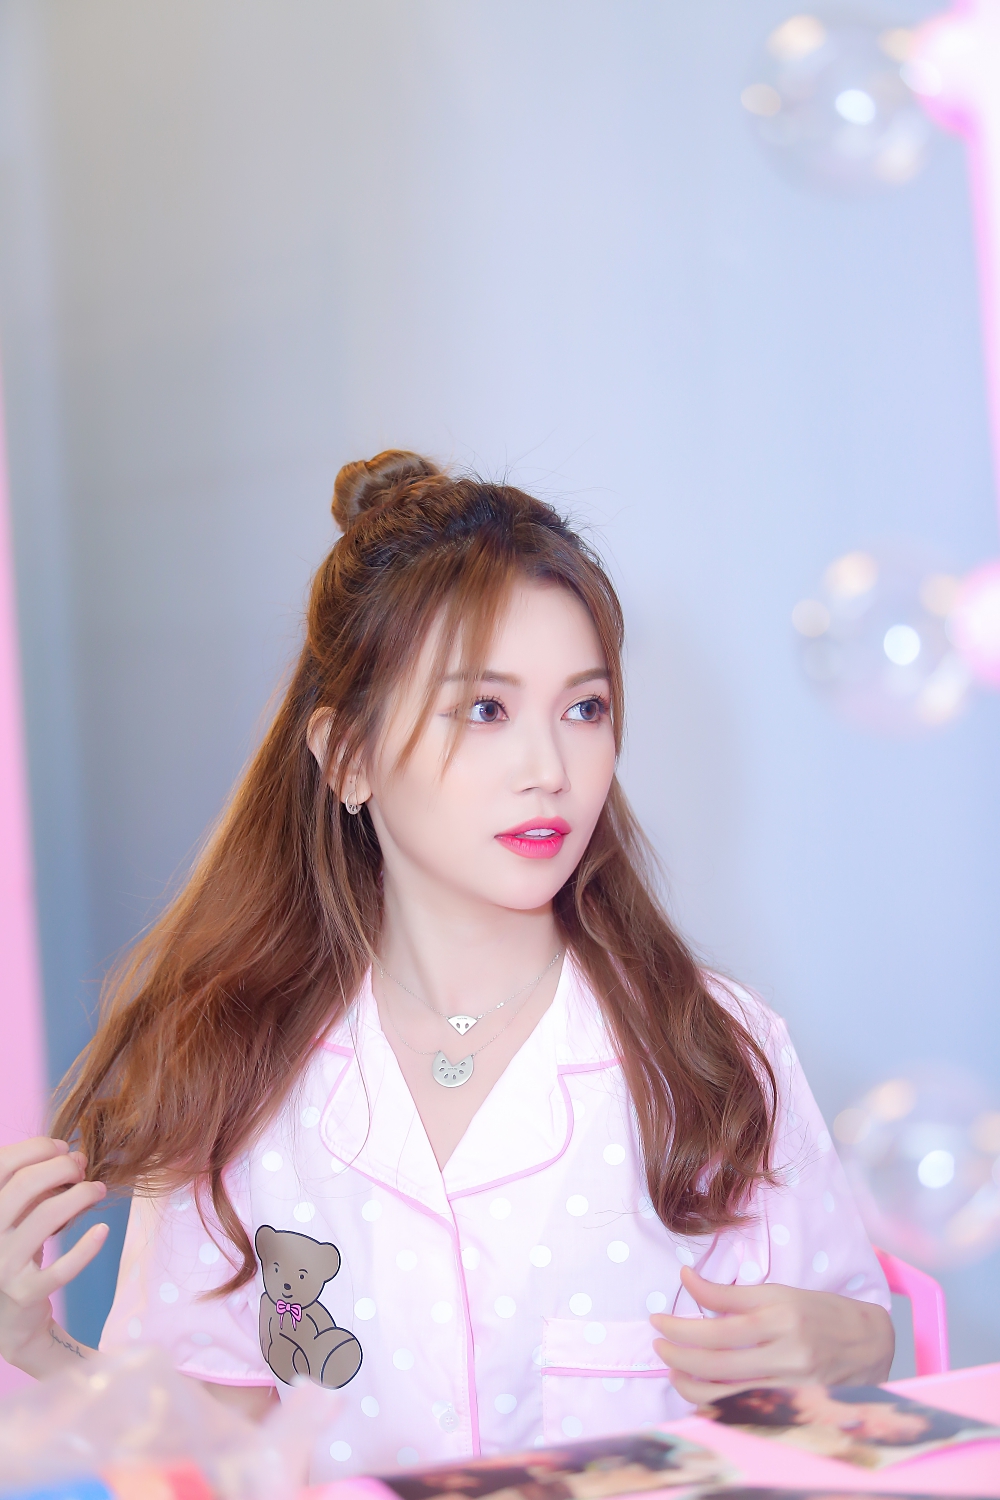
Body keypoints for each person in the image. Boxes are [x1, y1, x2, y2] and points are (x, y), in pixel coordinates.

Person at [0, 453, 893, 1480]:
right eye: (485, 710)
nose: (550, 771)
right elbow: (204, 1465)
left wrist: (862, 1345)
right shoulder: (235, 1074)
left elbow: (842, 1406)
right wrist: (37, 1346)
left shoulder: (713, 1054)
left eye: (584, 709)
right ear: (347, 758)